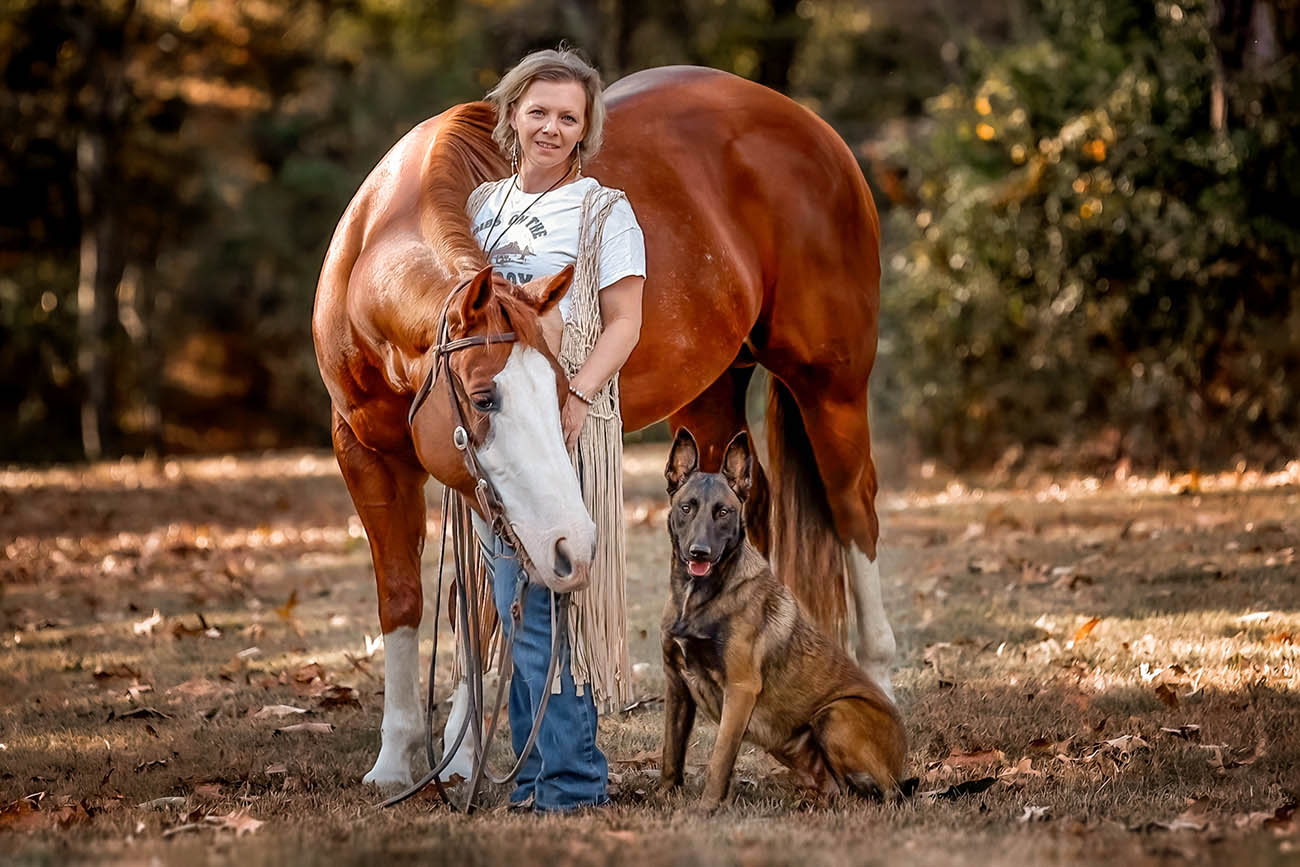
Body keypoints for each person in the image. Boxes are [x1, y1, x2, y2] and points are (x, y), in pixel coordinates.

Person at [464, 46, 645, 812]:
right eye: (537, 110)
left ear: (584, 131)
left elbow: (625, 321)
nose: (550, 126)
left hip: (568, 419)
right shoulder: (480, 208)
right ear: (511, 115)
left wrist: (579, 389)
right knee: (512, 605)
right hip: (503, 427)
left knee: (550, 599)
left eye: (567, 117)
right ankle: (535, 775)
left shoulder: (605, 210)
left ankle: (570, 780)